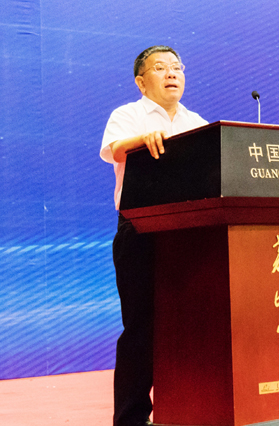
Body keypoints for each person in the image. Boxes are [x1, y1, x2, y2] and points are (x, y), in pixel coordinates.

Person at [100, 45, 209, 426]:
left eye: (176, 67)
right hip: (141, 230)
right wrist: (143, 138)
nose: (171, 73)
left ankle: (191, 411)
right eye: (160, 68)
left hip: (191, 232)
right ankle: (132, 419)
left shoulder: (197, 122)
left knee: (190, 324)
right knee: (141, 327)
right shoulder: (128, 115)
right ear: (141, 82)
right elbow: (115, 150)